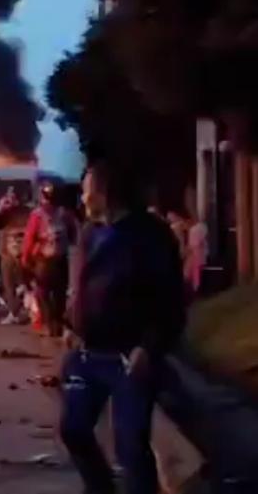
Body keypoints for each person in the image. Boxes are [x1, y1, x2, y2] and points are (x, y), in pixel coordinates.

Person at [59, 162, 186, 494]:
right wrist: (72, 324)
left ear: (106, 193)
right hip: (88, 354)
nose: (83, 197)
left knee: (130, 445)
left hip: (129, 358)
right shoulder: (91, 232)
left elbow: (169, 299)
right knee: (74, 429)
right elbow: (83, 286)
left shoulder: (150, 236)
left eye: (87, 189)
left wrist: (150, 345)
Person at [22, 182, 78, 338]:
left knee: (43, 294)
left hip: (43, 261)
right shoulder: (66, 214)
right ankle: (57, 324)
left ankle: (49, 324)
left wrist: (26, 259)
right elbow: (74, 236)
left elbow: (29, 238)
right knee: (59, 294)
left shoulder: (37, 215)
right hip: (61, 260)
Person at [0, 186, 31, 325]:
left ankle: (28, 310)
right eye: (10, 196)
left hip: (24, 253)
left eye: (14, 196)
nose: (12, 199)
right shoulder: (4, 213)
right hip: (7, 252)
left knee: (26, 283)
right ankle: (14, 313)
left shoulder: (28, 212)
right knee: (9, 285)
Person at [167, 208, 208, 296]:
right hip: (192, 253)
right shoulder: (195, 228)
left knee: (193, 273)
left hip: (195, 254)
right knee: (191, 272)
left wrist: (186, 250)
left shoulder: (195, 229)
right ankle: (193, 290)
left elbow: (194, 245)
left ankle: (195, 290)